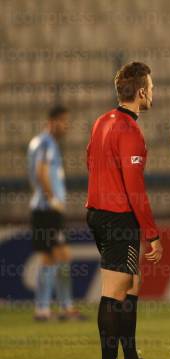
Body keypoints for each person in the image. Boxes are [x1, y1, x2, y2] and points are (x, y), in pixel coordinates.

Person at [86, 61, 164, 359]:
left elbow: (90, 159)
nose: (153, 92)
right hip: (118, 216)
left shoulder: (102, 121)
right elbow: (135, 188)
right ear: (142, 92)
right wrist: (153, 233)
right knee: (115, 291)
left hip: (97, 210)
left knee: (131, 284)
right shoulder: (130, 130)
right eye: (152, 87)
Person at [27, 105, 85, 321]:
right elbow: (41, 173)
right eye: (64, 121)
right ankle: (53, 309)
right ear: (52, 121)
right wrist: (52, 199)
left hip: (43, 209)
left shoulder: (38, 142)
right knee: (56, 257)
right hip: (48, 210)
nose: (66, 126)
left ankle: (55, 308)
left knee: (54, 257)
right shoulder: (46, 143)